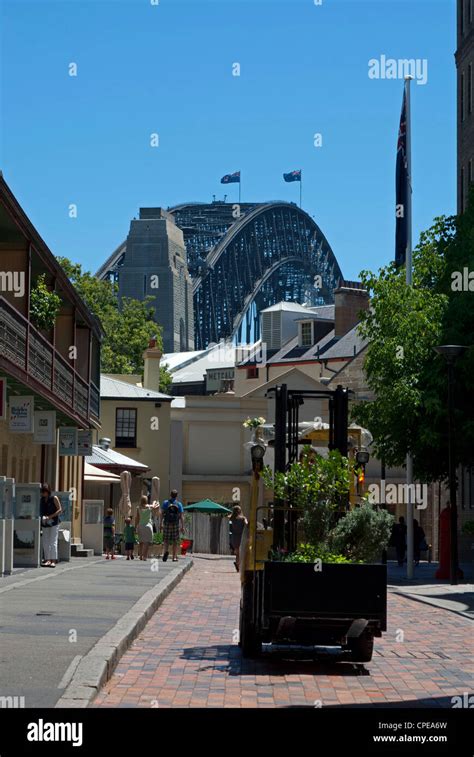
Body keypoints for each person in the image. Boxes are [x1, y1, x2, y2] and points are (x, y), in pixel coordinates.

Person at [40, 484, 62, 568]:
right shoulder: (42, 500)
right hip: (45, 522)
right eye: (42, 492)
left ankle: (53, 560)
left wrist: (50, 517)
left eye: (44, 492)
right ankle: (47, 559)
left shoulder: (54, 498)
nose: (43, 494)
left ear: (48, 491)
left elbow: (60, 510)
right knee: (45, 541)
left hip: (54, 522)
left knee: (53, 541)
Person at [160, 489, 185, 562]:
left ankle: (165, 552)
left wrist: (161, 523)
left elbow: (161, 514)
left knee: (166, 540)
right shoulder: (179, 504)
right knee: (175, 541)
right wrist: (182, 526)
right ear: (177, 496)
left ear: (170, 495)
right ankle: (174, 557)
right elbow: (181, 516)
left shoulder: (165, 503)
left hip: (167, 523)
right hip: (175, 524)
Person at [135, 495, 159, 561]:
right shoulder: (149, 507)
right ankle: (144, 556)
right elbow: (155, 506)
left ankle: (140, 556)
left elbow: (137, 518)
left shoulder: (138, 508)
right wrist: (154, 502)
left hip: (140, 525)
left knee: (141, 542)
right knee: (146, 543)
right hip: (148, 525)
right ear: (146, 500)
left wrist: (135, 526)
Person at [229, 505, 248, 572]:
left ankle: (238, 564)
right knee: (241, 552)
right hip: (241, 536)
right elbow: (247, 524)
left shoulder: (231, 518)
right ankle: (238, 565)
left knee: (237, 553)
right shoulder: (243, 518)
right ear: (240, 511)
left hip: (234, 537)